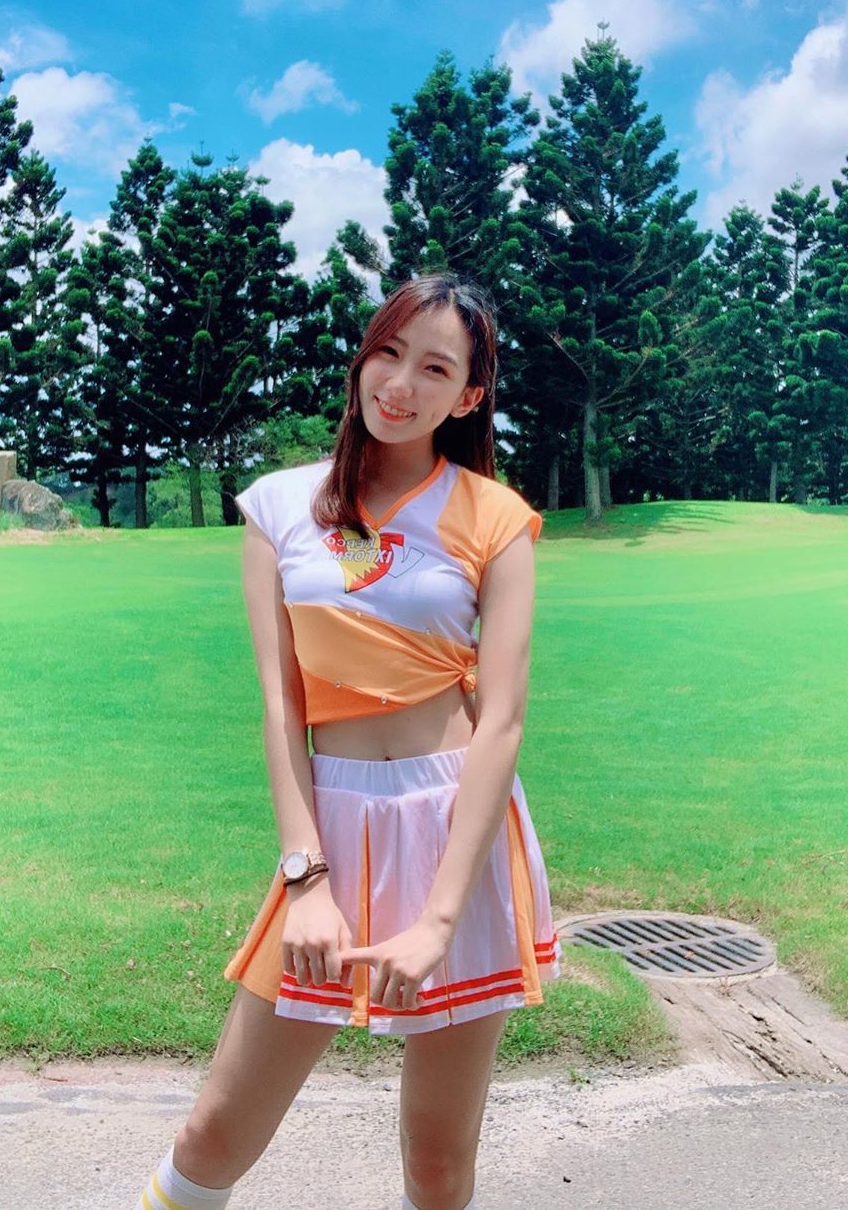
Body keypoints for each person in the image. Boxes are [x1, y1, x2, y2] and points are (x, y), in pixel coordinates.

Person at [134, 274, 561, 1210]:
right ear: (363, 358)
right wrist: (306, 879)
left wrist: (440, 920)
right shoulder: (280, 506)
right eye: (388, 353)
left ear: (469, 397)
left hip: (456, 832)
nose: (400, 384)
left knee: (438, 1165)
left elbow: (502, 722)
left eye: (435, 368)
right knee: (213, 1134)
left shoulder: (497, 518)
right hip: (329, 829)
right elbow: (281, 704)